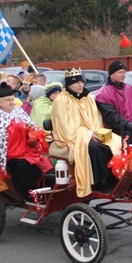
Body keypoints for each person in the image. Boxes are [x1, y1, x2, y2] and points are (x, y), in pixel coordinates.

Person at [50, 68, 121, 197]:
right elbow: (66, 127)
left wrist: (96, 131)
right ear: (68, 84)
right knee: (94, 148)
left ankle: (116, 176)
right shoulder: (61, 101)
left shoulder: (88, 97)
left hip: (91, 131)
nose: (80, 85)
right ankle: (99, 182)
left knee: (115, 142)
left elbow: (96, 118)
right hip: (72, 137)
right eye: (76, 82)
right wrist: (88, 134)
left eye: (81, 82)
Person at [0, 82, 54, 199]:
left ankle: (49, 188)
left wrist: (33, 132)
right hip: (10, 153)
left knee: (45, 161)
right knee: (25, 166)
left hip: (26, 149)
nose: (11, 102)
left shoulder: (18, 111)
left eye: (12, 99)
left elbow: (31, 124)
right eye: (8, 100)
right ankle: (29, 193)